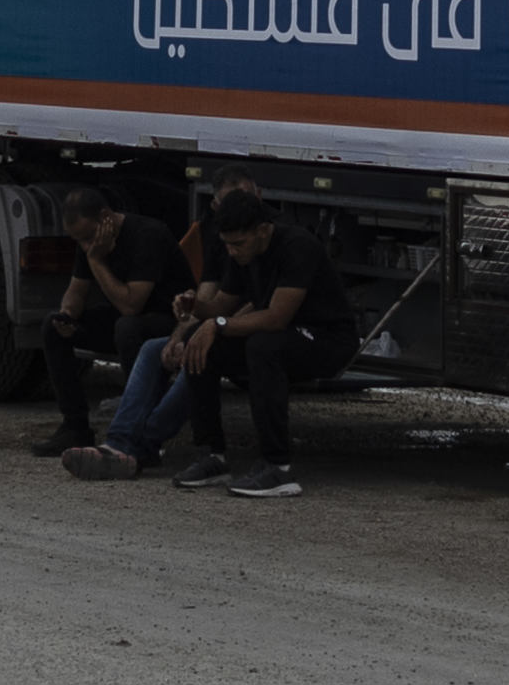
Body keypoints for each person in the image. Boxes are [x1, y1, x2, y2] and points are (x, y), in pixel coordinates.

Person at [68, 186, 353, 496]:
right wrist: (194, 307)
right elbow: (221, 306)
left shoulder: (297, 246)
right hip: (281, 335)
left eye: (238, 244)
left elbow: (277, 317)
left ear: (261, 230)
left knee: (262, 346)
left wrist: (217, 325)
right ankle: (211, 455)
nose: (232, 252)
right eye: (227, 245)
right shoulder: (240, 251)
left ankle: (277, 467)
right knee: (199, 345)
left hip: (325, 338)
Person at [23, 184, 184, 461]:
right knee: (52, 326)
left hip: (169, 321)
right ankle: (75, 426)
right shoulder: (91, 241)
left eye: (87, 238)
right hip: (126, 319)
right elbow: (76, 293)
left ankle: (142, 432)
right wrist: (67, 318)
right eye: (79, 242)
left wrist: (96, 260)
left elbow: (131, 305)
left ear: (105, 216)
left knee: (127, 328)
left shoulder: (147, 235)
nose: (85, 246)